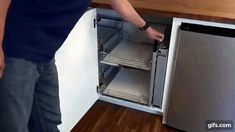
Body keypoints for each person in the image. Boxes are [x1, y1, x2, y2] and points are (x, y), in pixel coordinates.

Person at [0, 0, 164, 131]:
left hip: (45, 54)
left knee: (49, 119)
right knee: (14, 125)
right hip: (15, 51)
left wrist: (146, 28)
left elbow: (119, 2)